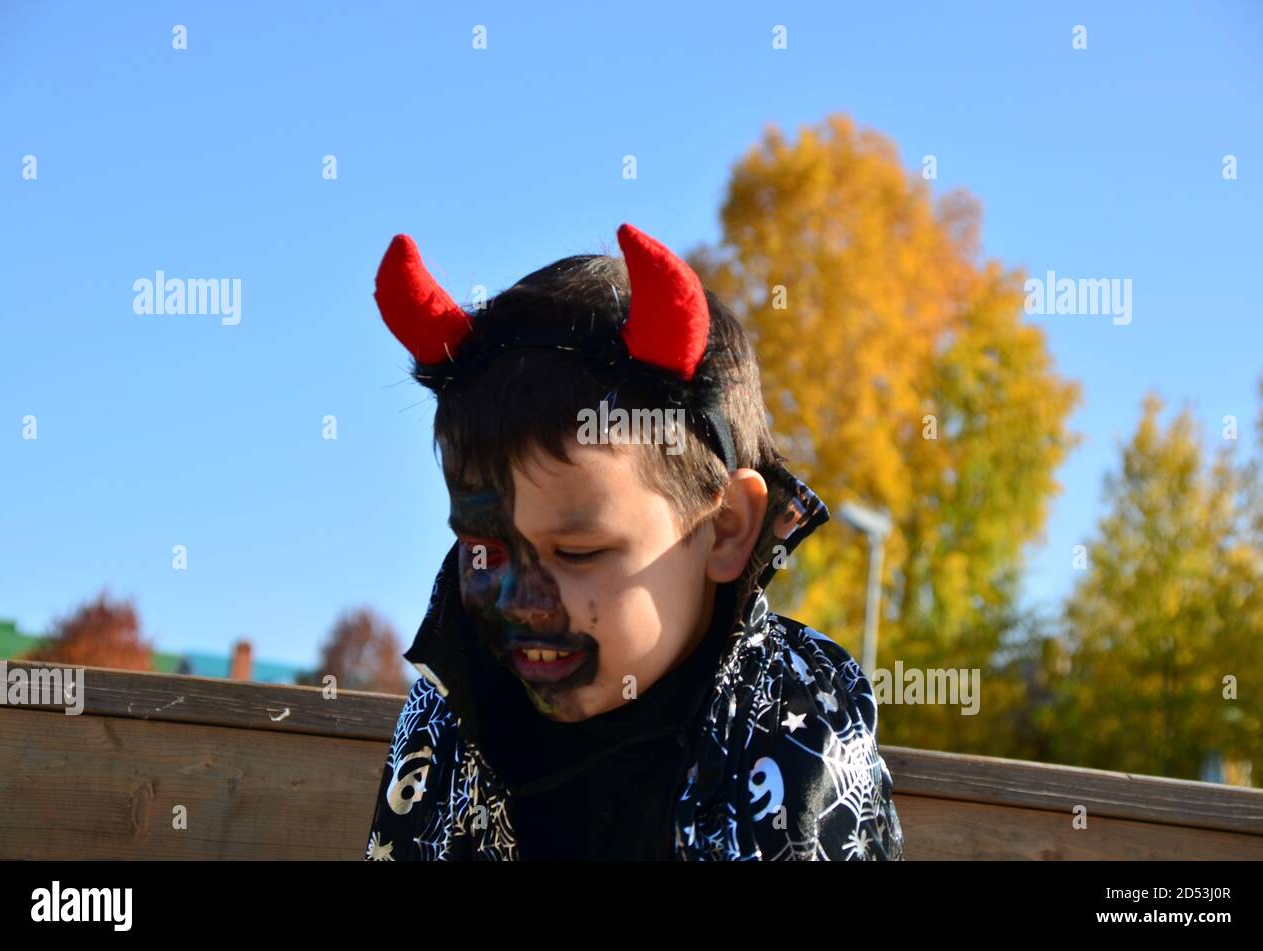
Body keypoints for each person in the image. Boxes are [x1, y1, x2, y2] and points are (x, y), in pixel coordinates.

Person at [362, 223, 904, 860]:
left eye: (578, 553)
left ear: (723, 528)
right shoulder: (451, 710)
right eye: (488, 551)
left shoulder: (800, 713)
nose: (520, 602)